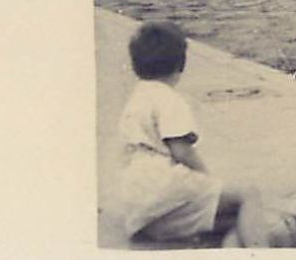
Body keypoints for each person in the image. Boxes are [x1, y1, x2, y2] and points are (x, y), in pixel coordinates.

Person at [117, 21, 278, 247]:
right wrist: (208, 178)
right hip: (166, 191)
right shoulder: (168, 99)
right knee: (247, 195)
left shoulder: (136, 99)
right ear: (180, 65)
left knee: (232, 220)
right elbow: (181, 150)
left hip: (141, 207)